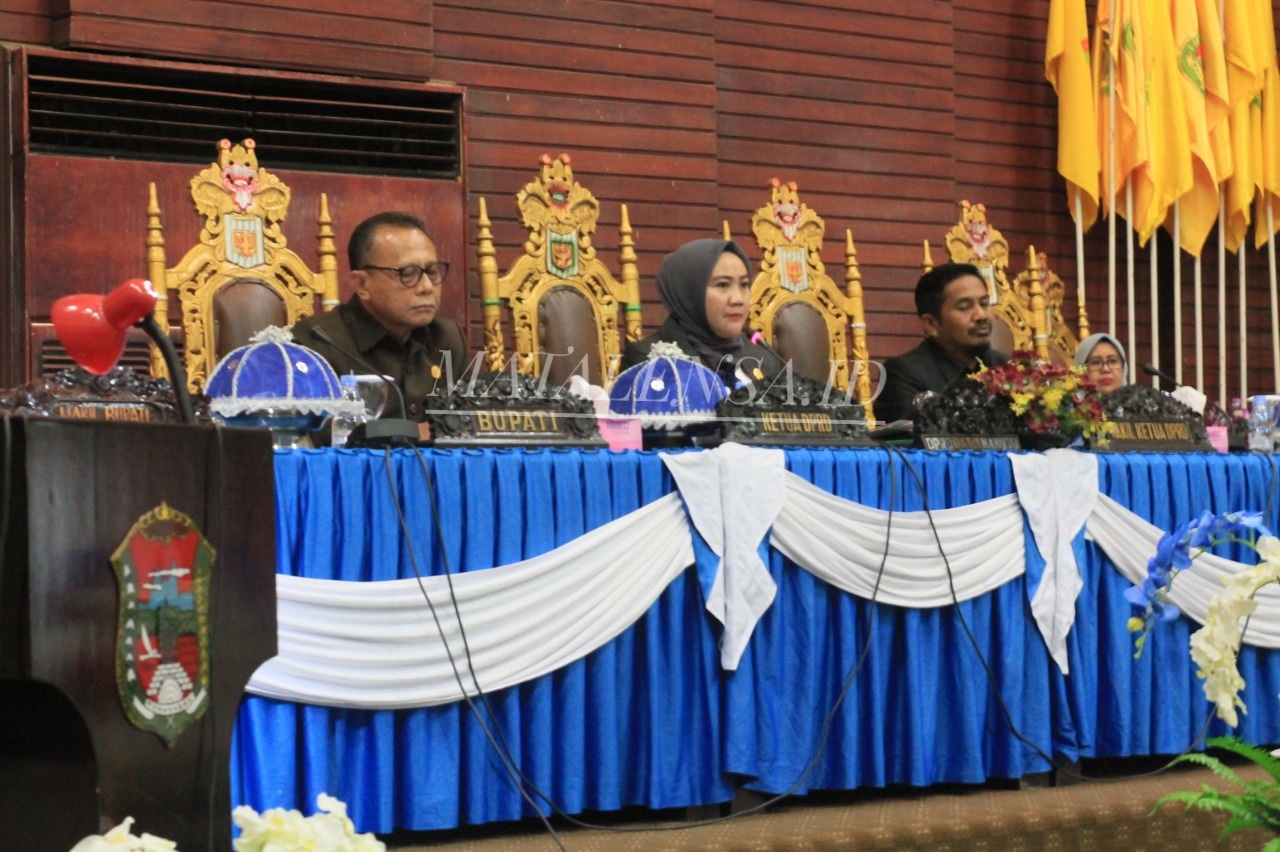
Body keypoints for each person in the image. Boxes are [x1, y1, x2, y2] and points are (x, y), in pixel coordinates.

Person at [293, 211, 468, 420]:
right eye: (408, 273)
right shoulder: (316, 344)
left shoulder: (447, 338)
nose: (427, 287)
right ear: (361, 284)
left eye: (431, 271)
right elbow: (312, 434)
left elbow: (472, 423)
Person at [620, 238, 783, 387]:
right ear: (689, 293)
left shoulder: (763, 357)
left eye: (744, 284)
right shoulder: (649, 360)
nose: (738, 299)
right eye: (723, 285)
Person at [877, 262, 1009, 422]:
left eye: (984, 304)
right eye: (964, 307)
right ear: (931, 324)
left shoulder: (1007, 367)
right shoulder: (904, 375)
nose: (981, 315)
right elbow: (909, 436)